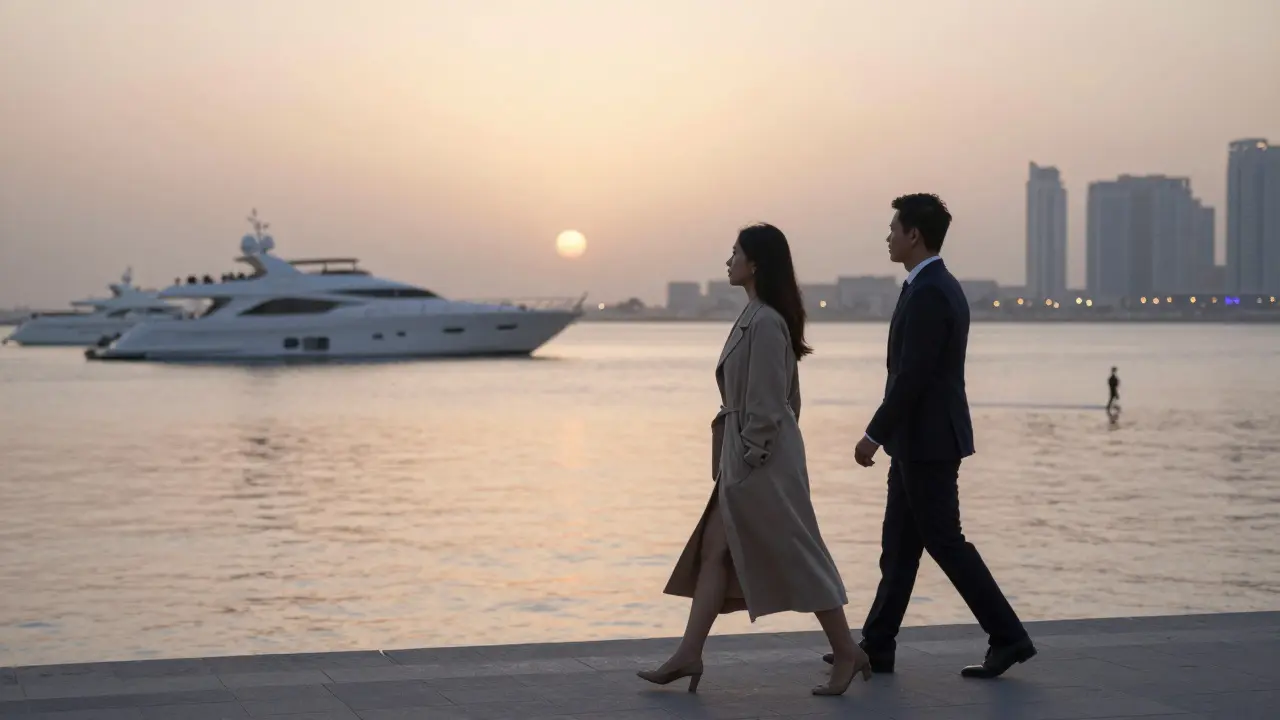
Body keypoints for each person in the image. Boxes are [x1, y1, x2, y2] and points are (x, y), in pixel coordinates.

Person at [639, 223, 872, 696]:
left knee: (798, 551)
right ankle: (689, 653)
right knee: (714, 550)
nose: (728, 261)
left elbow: (770, 401)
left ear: (756, 263)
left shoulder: (765, 321)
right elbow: (786, 399)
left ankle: (847, 650)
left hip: (760, 460)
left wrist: (752, 455)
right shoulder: (755, 315)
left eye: (735, 253)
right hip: (747, 454)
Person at [823, 194, 1036, 678]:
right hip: (917, 441)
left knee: (945, 543)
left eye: (894, 228)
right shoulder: (929, 285)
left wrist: (873, 434)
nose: (888, 237)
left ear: (914, 234)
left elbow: (913, 376)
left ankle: (1009, 637)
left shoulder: (931, 292)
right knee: (899, 546)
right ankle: (878, 645)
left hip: (928, 441)